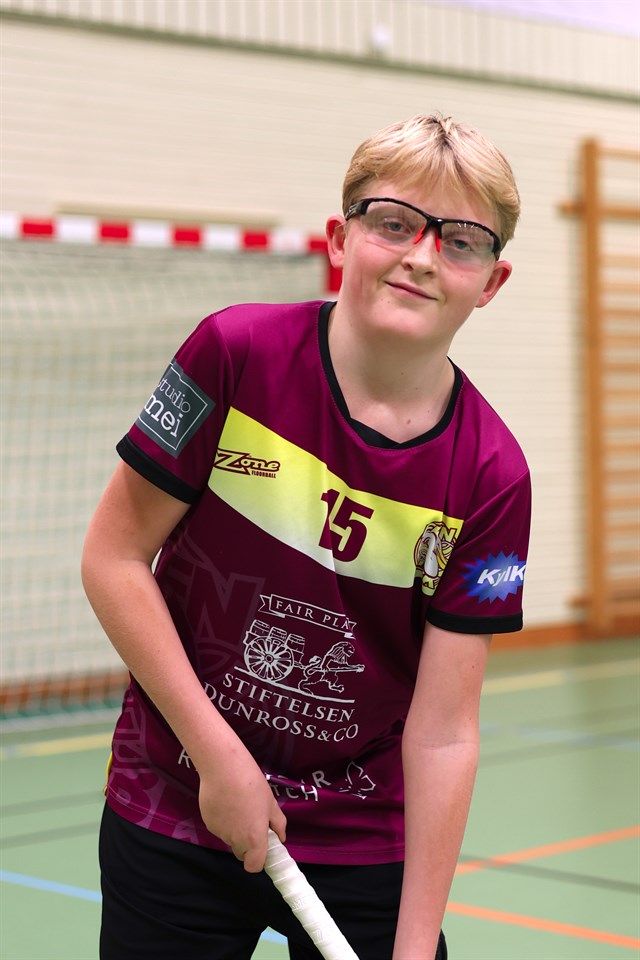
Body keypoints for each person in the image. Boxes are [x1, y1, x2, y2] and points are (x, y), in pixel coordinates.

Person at [82, 113, 531, 960]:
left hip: (362, 834)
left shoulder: (492, 476)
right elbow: (114, 557)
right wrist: (218, 757)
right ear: (339, 237)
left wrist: (413, 947)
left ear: (491, 281)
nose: (422, 256)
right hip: (177, 798)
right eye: (394, 222)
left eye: (460, 240)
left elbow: (444, 732)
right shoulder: (233, 353)